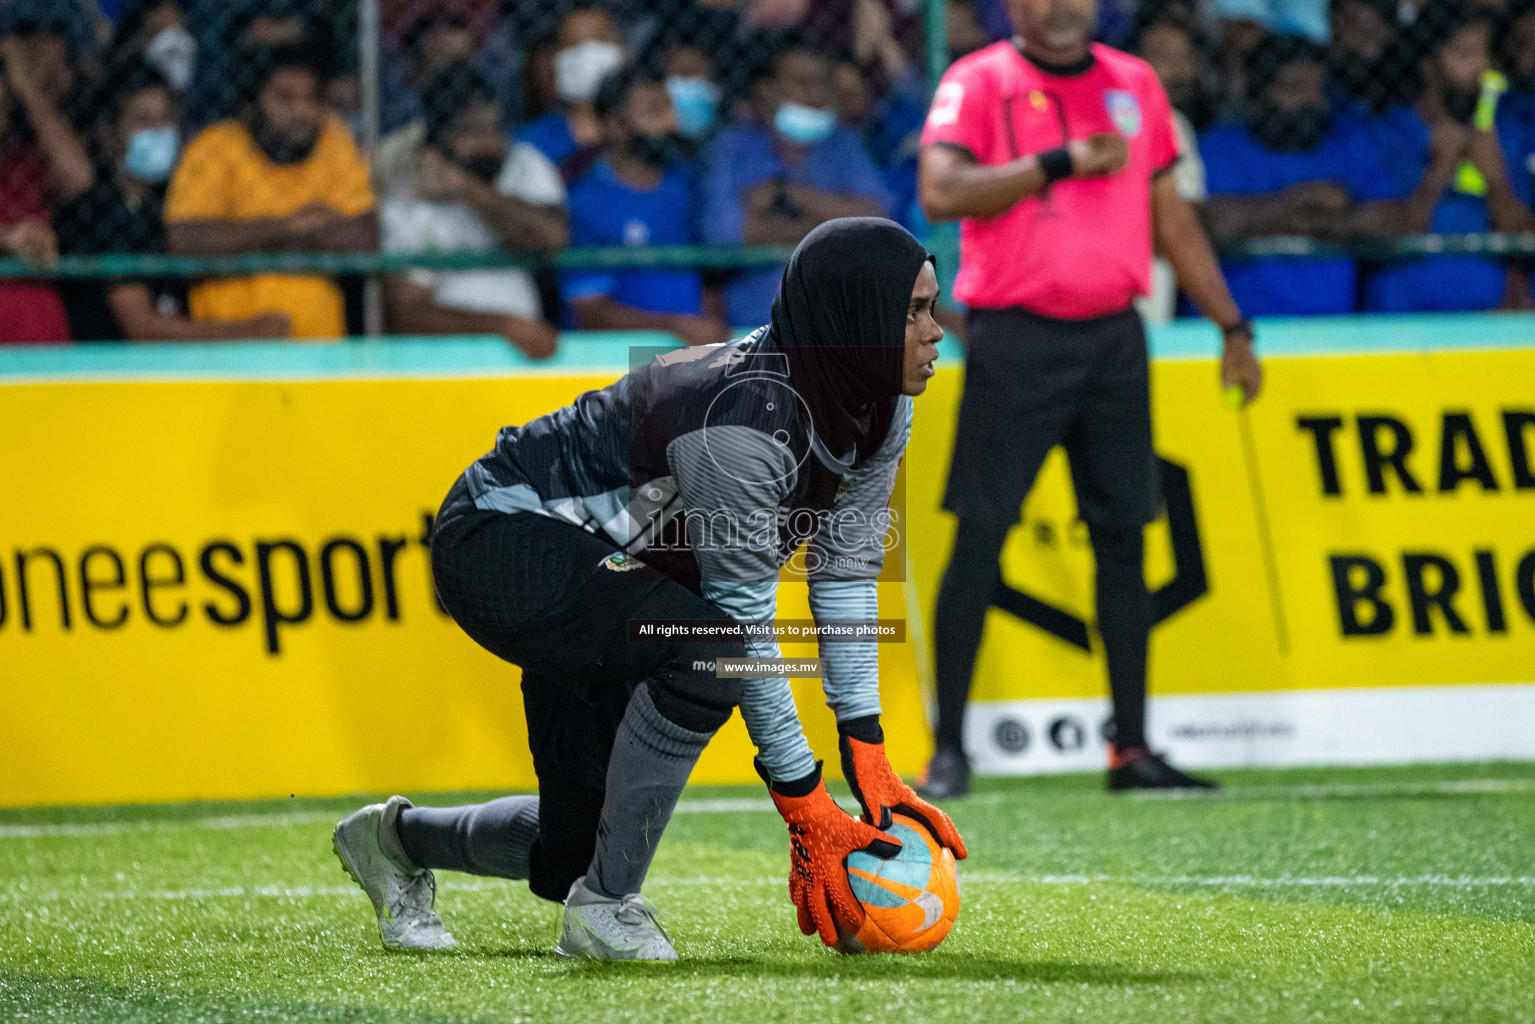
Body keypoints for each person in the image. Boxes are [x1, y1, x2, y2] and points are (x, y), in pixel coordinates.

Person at [331, 218, 966, 960]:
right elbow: (743, 632)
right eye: (912, 312)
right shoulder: (746, 420)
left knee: (567, 850)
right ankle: (605, 909)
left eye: (933, 305)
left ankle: (391, 839)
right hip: (501, 536)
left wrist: (867, 749)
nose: (936, 331)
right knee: (707, 653)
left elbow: (847, 573)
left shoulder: (883, 404)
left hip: (607, 566)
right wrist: (803, 802)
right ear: (851, 321)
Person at [916, 0, 1262, 796]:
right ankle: (949, 752)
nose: (1061, 6)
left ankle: (1130, 749)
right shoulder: (978, 80)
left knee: (1124, 541)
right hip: (1014, 336)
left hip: (1114, 336)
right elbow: (940, 192)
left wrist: (1231, 327)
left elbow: (1169, 215)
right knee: (980, 535)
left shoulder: (1133, 82)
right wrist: (1059, 162)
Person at [53, 62, 289, 341]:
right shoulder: (99, 212)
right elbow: (140, 326)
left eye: (166, 119)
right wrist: (248, 332)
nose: (159, 131)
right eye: (143, 121)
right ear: (111, 135)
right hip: (106, 374)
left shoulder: (170, 205)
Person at [164, 43, 377, 341]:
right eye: (285, 99)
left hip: (322, 356)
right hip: (231, 350)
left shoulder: (333, 141)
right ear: (254, 102)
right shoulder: (214, 148)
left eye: (311, 99)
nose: (300, 112)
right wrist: (287, 227)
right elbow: (186, 242)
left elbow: (365, 237)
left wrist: (244, 241)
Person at [1349, 2, 1535, 311]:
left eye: (1485, 54)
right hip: (1398, 324)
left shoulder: (1508, 132)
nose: (1481, 68)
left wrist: (1496, 178)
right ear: (1428, 65)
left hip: (1497, 323)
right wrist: (1438, 173)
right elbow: (1386, 234)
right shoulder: (1385, 135)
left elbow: (1524, 239)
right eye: (1465, 54)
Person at [1199, 35, 1400, 315]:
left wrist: (1268, 220)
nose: (1310, 102)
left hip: (1337, 328)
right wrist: (1299, 200)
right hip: (1242, 326)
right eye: (1293, 89)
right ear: (1258, 95)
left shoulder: (1346, 142)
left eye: (1317, 90)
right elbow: (1215, 225)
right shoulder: (1221, 146)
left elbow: (1389, 222)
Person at [701, 39, 893, 327]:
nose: (815, 95)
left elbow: (879, 223)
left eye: (822, 83)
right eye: (802, 83)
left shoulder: (845, 143)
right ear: (766, 90)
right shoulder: (731, 147)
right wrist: (835, 227)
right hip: (758, 325)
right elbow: (724, 234)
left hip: (845, 325)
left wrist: (786, 194)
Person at [381, 62, 565, 359]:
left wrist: (467, 190)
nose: (488, 144)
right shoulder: (407, 198)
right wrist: (503, 327)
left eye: (493, 130)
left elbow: (552, 237)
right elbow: (407, 314)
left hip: (530, 358)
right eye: (472, 133)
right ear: (439, 140)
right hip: (444, 363)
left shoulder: (523, 165)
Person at [561, 67, 728, 347]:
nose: (669, 123)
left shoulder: (691, 183)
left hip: (700, 356)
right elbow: (588, 312)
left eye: (669, 109)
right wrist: (673, 327)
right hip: (620, 361)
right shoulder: (588, 200)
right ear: (615, 125)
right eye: (653, 112)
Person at [0, 22, 95, 343]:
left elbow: (80, 177)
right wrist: (8, 239)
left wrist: (27, 86)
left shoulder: (22, 162)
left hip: (39, 340)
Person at [1134, 17, 1213, 321]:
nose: (1179, 73)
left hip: (1150, 301)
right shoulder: (1094, 112)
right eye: (1164, 59)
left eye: (1186, 60)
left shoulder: (1175, 123)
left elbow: (1185, 215)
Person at [514, 4, 626, 174]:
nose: (585, 54)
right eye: (573, 44)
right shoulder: (532, 143)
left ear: (623, 51)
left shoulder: (645, 133)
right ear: (555, 60)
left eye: (598, 41)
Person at [373, 13, 480, 188]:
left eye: (463, 61)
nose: (456, 73)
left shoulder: (486, 108)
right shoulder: (395, 110)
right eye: (445, 59)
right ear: (416, 65)